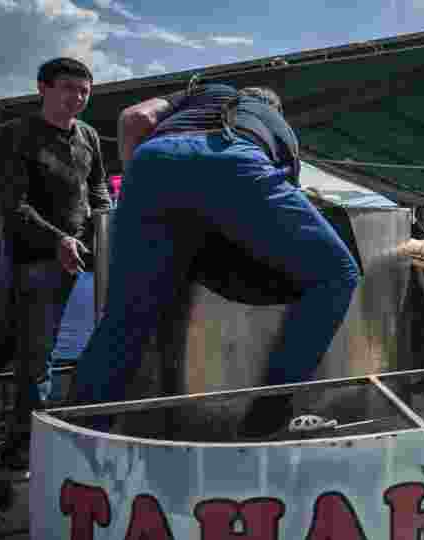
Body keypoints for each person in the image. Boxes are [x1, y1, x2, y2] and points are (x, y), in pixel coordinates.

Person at [73, 81, 359, 438]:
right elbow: (276, 208)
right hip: (234, 160)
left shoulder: (207, 91)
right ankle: (265, 421)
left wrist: (140, 189)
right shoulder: (274, 122)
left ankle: (82, 434)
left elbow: (135, 117)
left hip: (152, 162)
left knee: (125, 316)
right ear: (274, 108)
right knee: (338, 274)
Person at [0, 57, 111, 473]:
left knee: (66, 350)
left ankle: (61, 434)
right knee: (36, 356)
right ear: (43, 88)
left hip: (85, 258)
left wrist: (103, 218)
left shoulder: (90, 135)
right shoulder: (16, 134)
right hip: (36, 260)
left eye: (84, 91)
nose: (76, 98)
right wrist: (57, 239)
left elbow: (97, 184)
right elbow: (11, 202)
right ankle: (25, 447)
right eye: (68, 88)